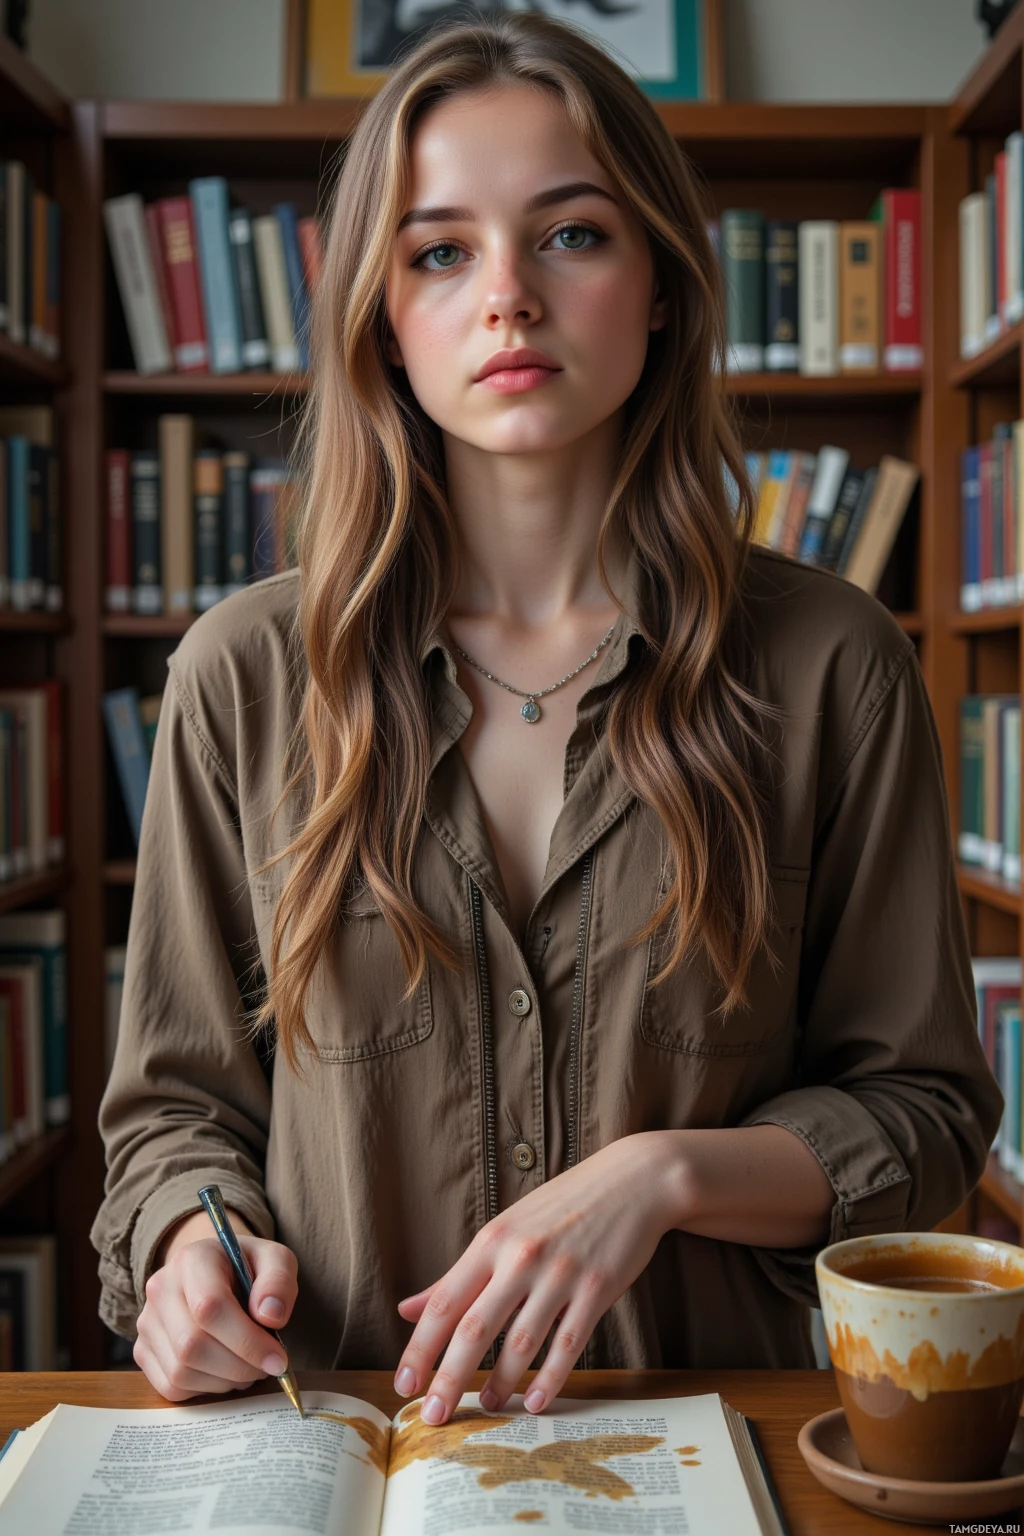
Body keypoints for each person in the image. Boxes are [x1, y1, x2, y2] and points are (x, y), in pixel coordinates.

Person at [91, 11, 1001, 1429]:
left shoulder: (835, 663)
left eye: (571, 234)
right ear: (384, 321)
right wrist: (182, 1254)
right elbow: (175, 1118)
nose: (505, 294)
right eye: (439, 251)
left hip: (711, 1437)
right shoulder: (244, 677)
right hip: (343, 1450)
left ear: (659, 287)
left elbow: (927, 1119)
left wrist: (667, 1173)